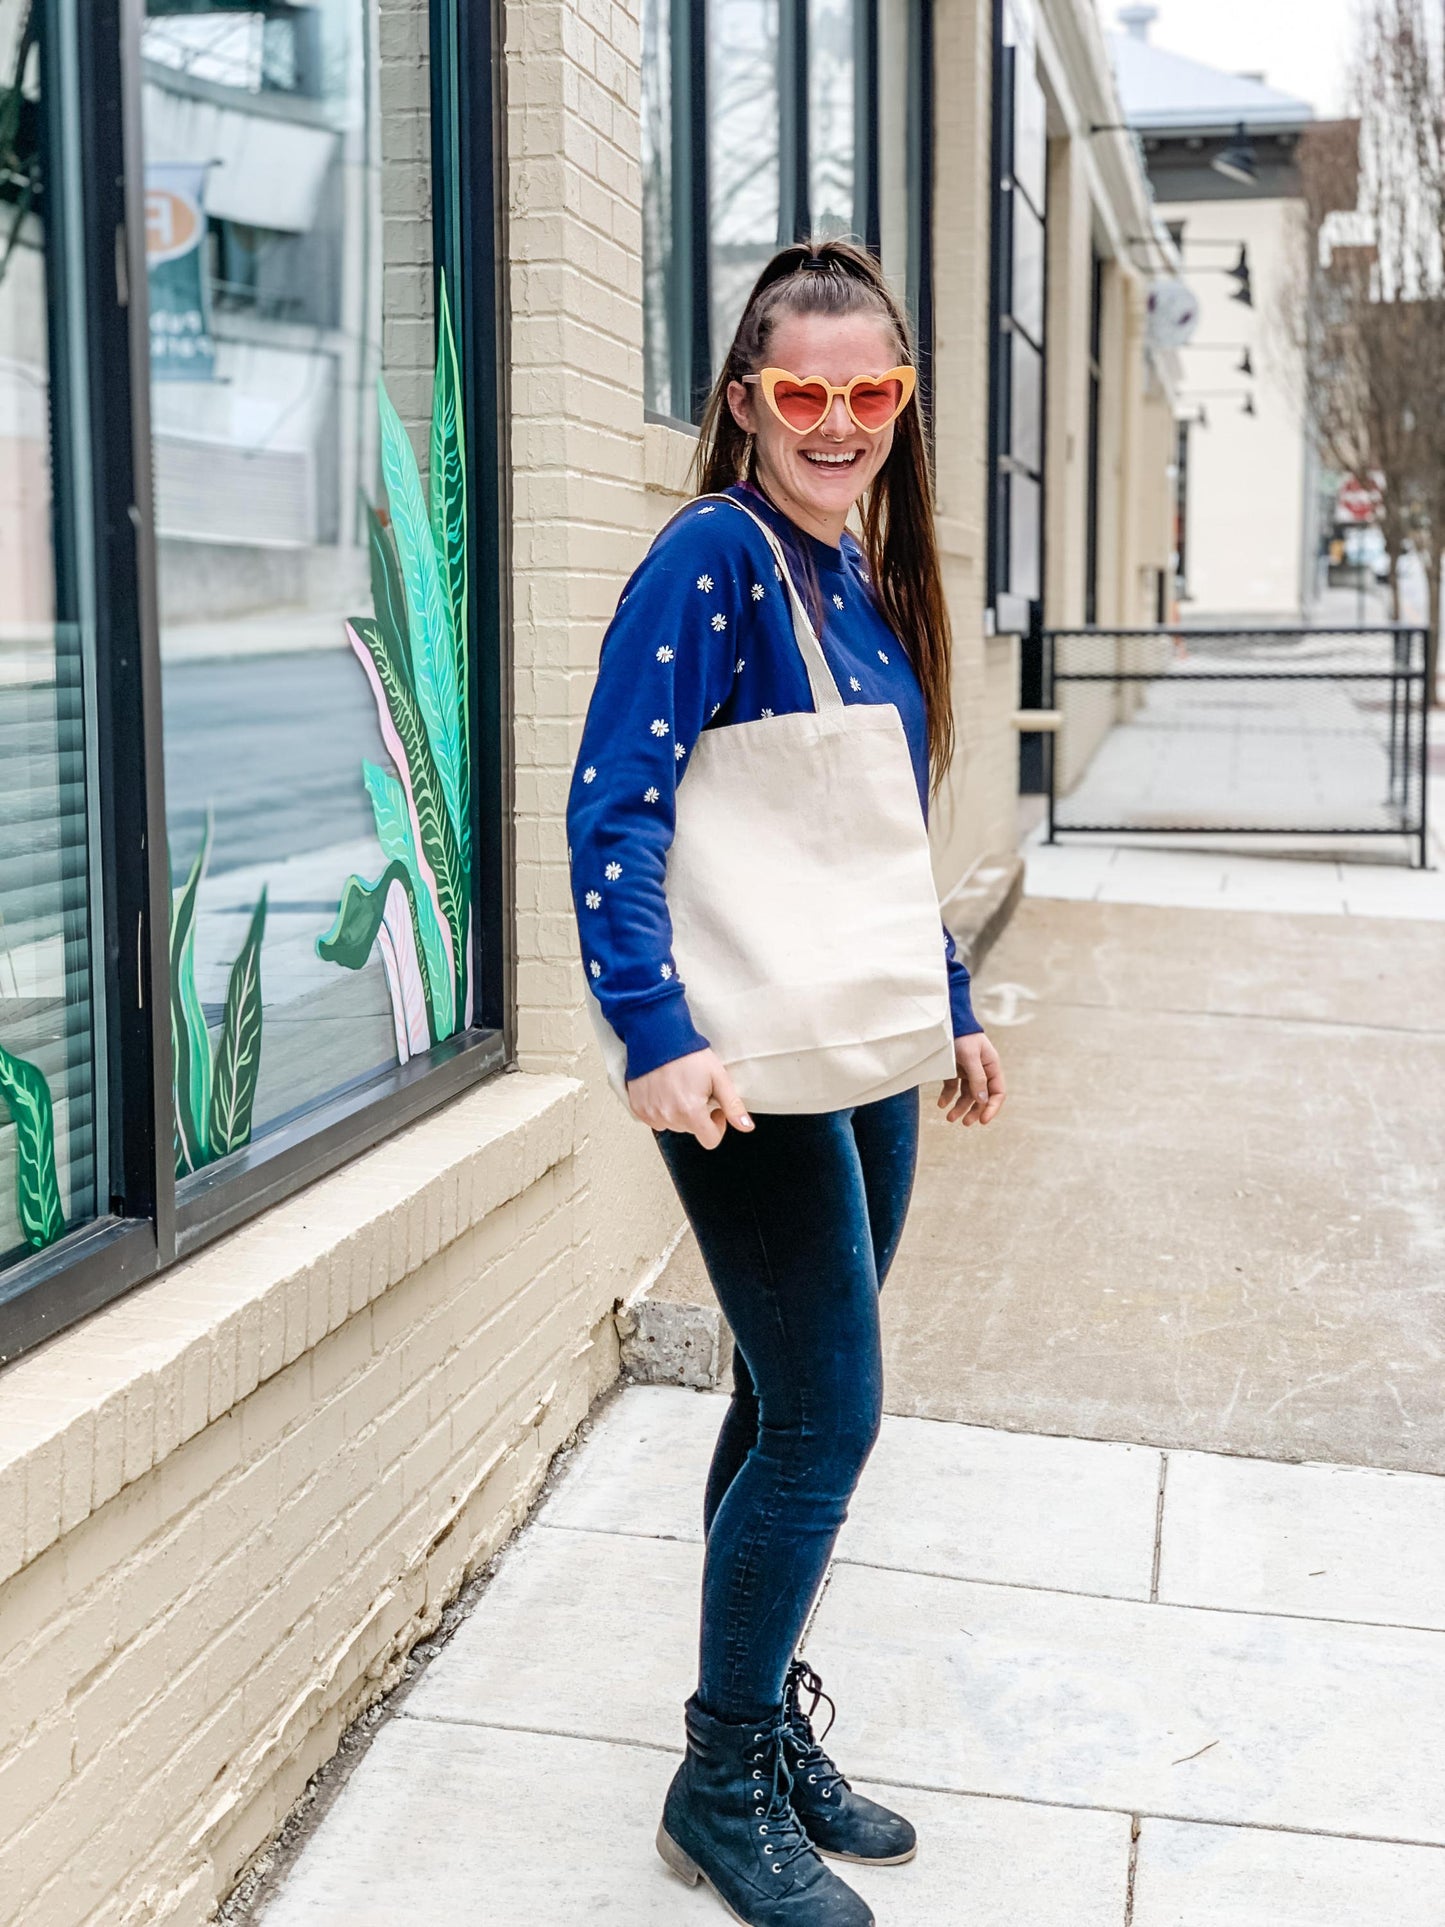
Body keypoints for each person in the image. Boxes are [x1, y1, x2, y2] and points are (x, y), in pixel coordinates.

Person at [567, 239, 1005, 1927]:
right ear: (743, 401)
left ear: (899, 401)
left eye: (868, 392)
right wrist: (652, 1032)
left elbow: (872, 848)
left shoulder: (854, 578)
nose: (837, 422)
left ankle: (755, 1730)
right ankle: (716, 1775)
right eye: (801, 392)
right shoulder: (712, 562)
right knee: (830, 1409)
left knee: (778, 1394)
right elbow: (615, 806)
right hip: (743, 1062)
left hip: (858, 1045)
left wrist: (949, 1000)